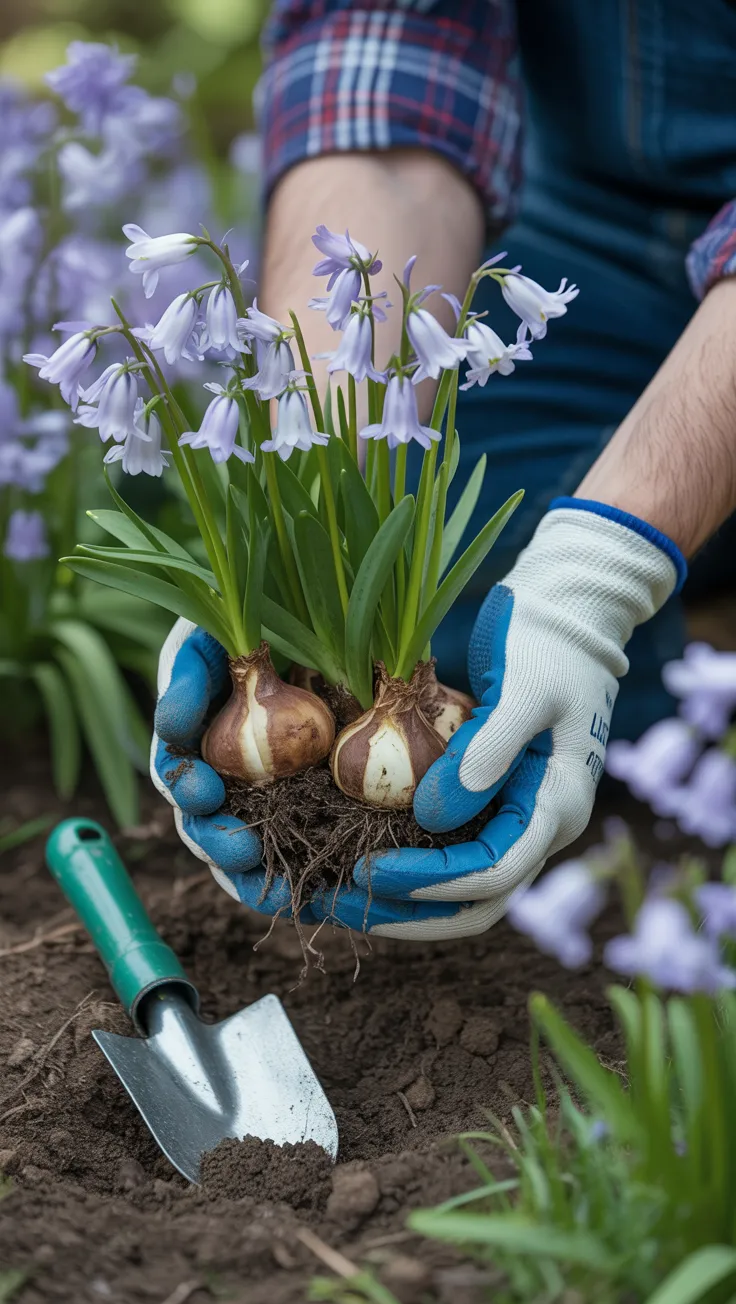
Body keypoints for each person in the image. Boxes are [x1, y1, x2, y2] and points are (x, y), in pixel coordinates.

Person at [151, 0, 736, 939]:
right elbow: (385, 54)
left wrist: (602, 573)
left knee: (546, 621)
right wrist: (300, 532)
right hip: (583, 217)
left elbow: (589, 575)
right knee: (465, 620)